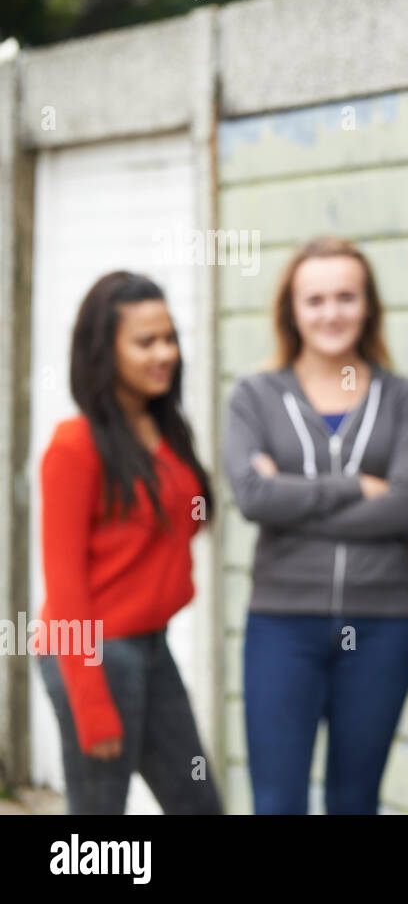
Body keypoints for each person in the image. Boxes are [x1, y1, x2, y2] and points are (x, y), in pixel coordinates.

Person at [222, 236, 408, 814]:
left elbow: (407, 506)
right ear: (291, 309)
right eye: (314, 300)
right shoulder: (254, 396)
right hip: (281, 627)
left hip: (381, 626)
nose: (331, 313)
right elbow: (253, 497)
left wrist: (291, 498)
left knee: (354, 801)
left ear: (368, 306)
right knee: (277, 801)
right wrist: (352, 487)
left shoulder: (404, 399)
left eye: (346, 297)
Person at [34, 271, 223, 815]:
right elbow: (65, 586)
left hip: (151, 645)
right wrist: (91, 706)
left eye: (170, 338)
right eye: (146, 342)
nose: (165, 353)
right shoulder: (75, 447)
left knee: (198, 803)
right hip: (96, 653)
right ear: (104, 350)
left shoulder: (164, 431)